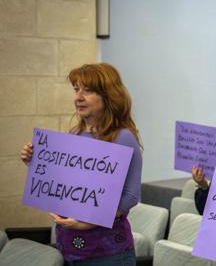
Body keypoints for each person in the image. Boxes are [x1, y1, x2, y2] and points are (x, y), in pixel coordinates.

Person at [19, 63, 143, 265]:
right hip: (69, 246)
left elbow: (130, 196)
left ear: (108, 96)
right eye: (76, 89)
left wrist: (90, 222)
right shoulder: (75, 134)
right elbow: (68, 184)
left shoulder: (123, 137)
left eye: (89, 90)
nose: (78, 97)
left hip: (108, 253)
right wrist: (36, 163)